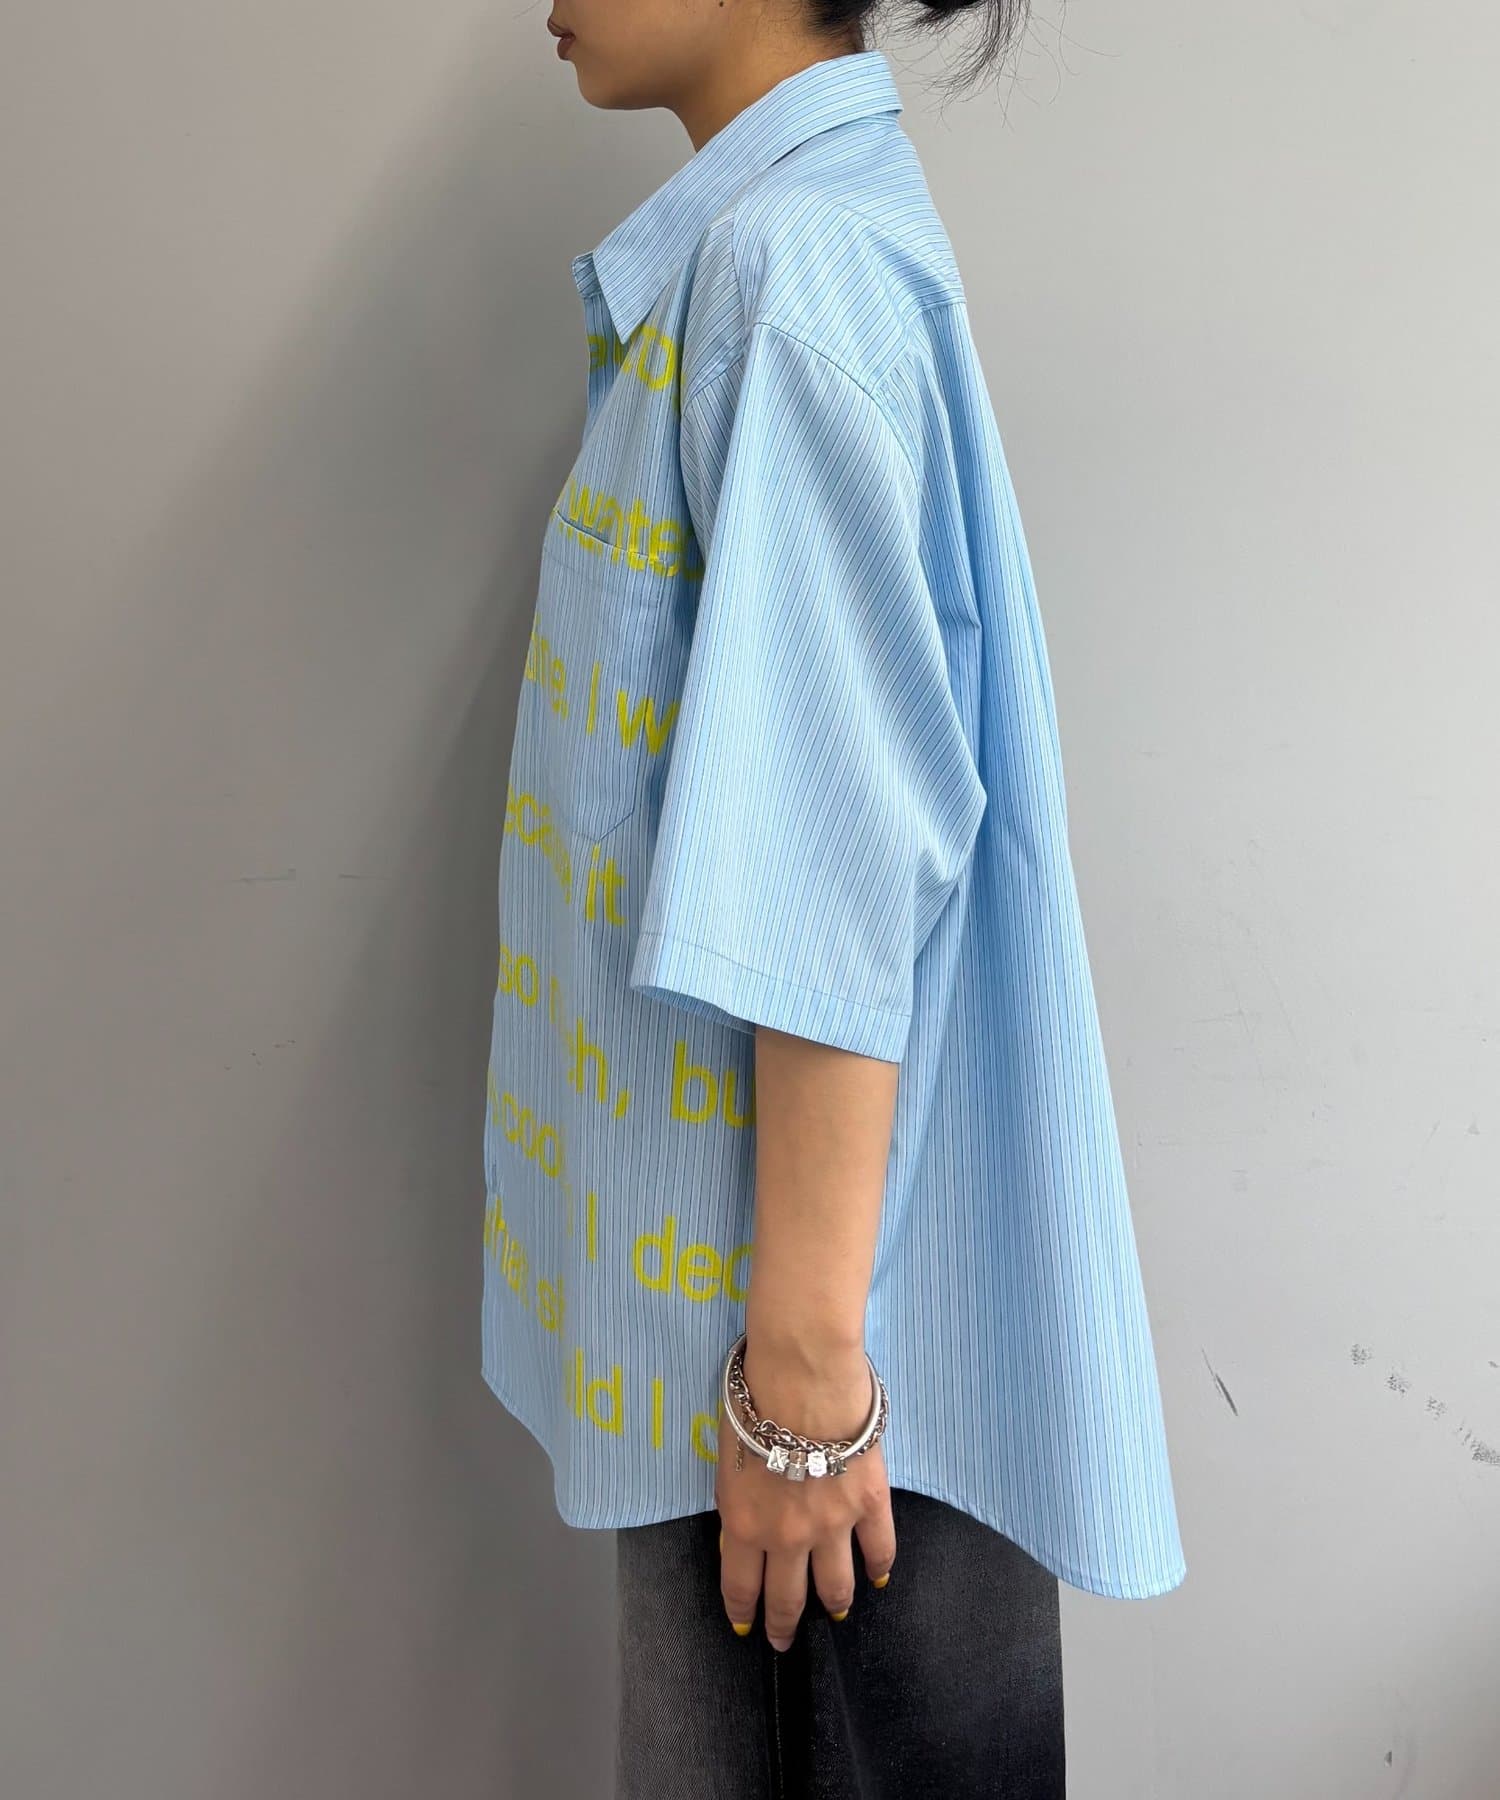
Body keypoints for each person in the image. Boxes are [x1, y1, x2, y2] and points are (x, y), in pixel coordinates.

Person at [482, 4, 1187, 1794]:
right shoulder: (773, 251)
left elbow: (830, 857)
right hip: (761, 1339)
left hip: (806, 1388)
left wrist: (798, 1390)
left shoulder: (793, 271)